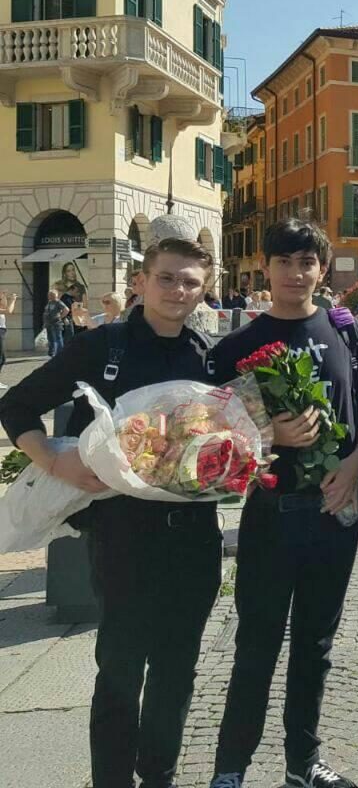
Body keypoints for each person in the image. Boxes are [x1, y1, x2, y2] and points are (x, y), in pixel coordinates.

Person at [0, 237, 221, 788]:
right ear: (141, 282)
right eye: (167, 278)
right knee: (121, 667)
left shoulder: (205, 354)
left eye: (190, 281)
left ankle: (160, 776)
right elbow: (16, 405)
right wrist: (53, 457)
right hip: (122, 534)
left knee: (177, 671)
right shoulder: (103, 345)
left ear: (204, 289)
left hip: (194, 536)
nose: (178, 290)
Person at [207, 219, 358, 788]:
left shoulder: (347, 334)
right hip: (271, 516)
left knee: (316, 646)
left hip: (335, 515)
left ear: (321, 270)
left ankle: (302, 763)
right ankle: (230, 768)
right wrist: (267, 436)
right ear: (267, 267)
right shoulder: (236, 347)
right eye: (284, 261)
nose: (295, 272)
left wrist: (355, 465)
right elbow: (209, 437)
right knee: (256, 643)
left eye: (306, 262)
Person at [43, 288, 68, 357]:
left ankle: (60, 352)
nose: (49, 296)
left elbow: (66, 309)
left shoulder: (58, 302)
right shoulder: (49, 302)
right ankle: (51, 352)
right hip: (49, 323)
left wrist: (60, 317)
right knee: (50, 338)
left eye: (51, 295)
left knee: (58, 338)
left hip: (56, 323)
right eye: (49, 295)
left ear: (55, 295)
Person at [0, 290, 14, 389]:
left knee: (2, 358)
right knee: (1, 358)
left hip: (1, 331)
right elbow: (9, 310)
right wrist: (13, 299)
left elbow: (4, 307)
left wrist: (4, 296)